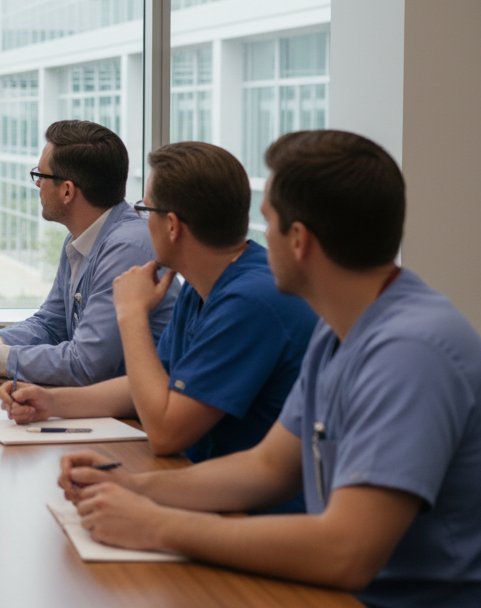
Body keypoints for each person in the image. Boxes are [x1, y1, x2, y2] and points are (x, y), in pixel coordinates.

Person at [58, 130, 481, 606]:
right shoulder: (339, 331)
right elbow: (269, 467)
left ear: (298, 240)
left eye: (269, 222)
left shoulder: (410, 351)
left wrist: (157, 525)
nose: (258, 240)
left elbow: (348, 551)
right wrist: (131, 487)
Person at [0, 143, 316, 486]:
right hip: (203, 480)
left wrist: (131, 313)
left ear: (172, 226)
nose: (141, 222)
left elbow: (165, 433)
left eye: (145, 210)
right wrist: (51, 402)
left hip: (252, 503)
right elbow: (151, 386)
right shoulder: (200, 287)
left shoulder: (250, 301)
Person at [0, 120, 178, 385]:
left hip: (132, 408)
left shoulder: (127, 249)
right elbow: (51, 324)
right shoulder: (81, 237)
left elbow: (85, 365)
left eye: (41, 175)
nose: (38, 184)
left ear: (67, 191)